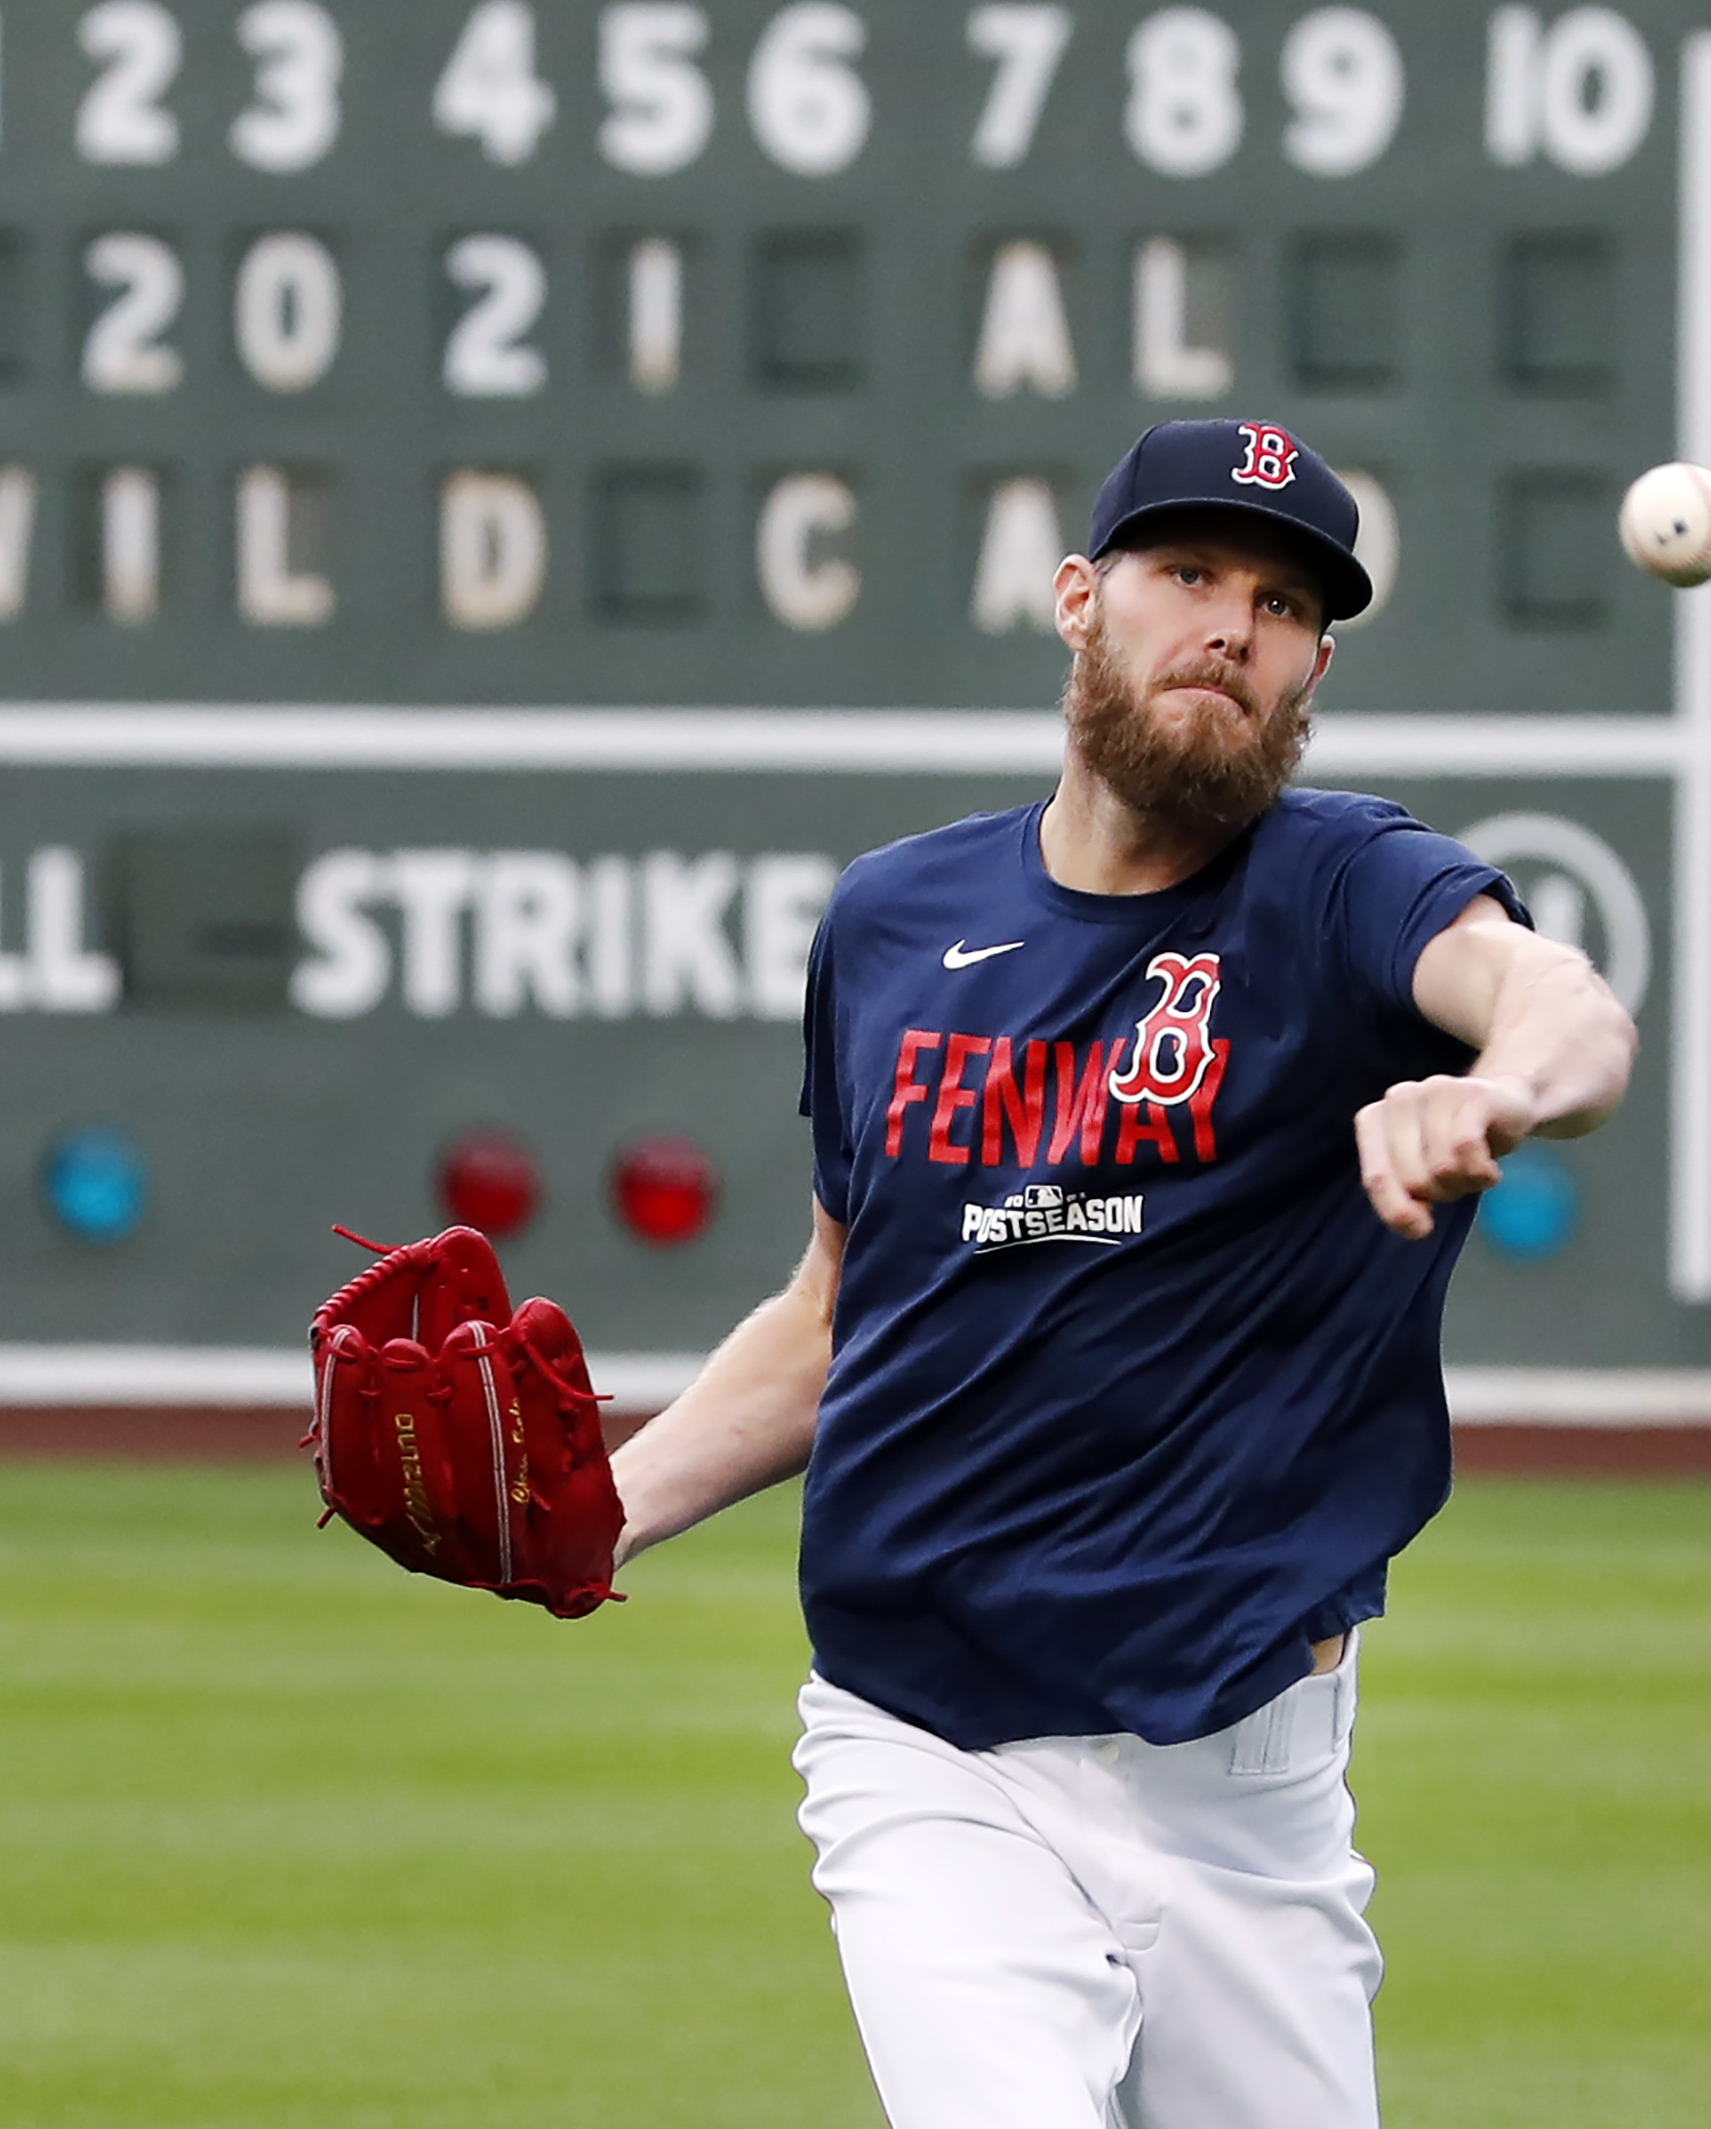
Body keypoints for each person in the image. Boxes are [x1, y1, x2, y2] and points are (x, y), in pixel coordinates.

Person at [605, 418, 1640, 2129]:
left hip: (1250, 1785)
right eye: (1189, 573)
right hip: (927, 1743)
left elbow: (1566, 1006)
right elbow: (836, 1309)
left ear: (1316, 662)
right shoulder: (891, 920)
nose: (1232, 623)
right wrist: (599, 1506)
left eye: (1286, 600)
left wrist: (1495, 1083)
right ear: (1081, 600)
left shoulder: (1340, 891)